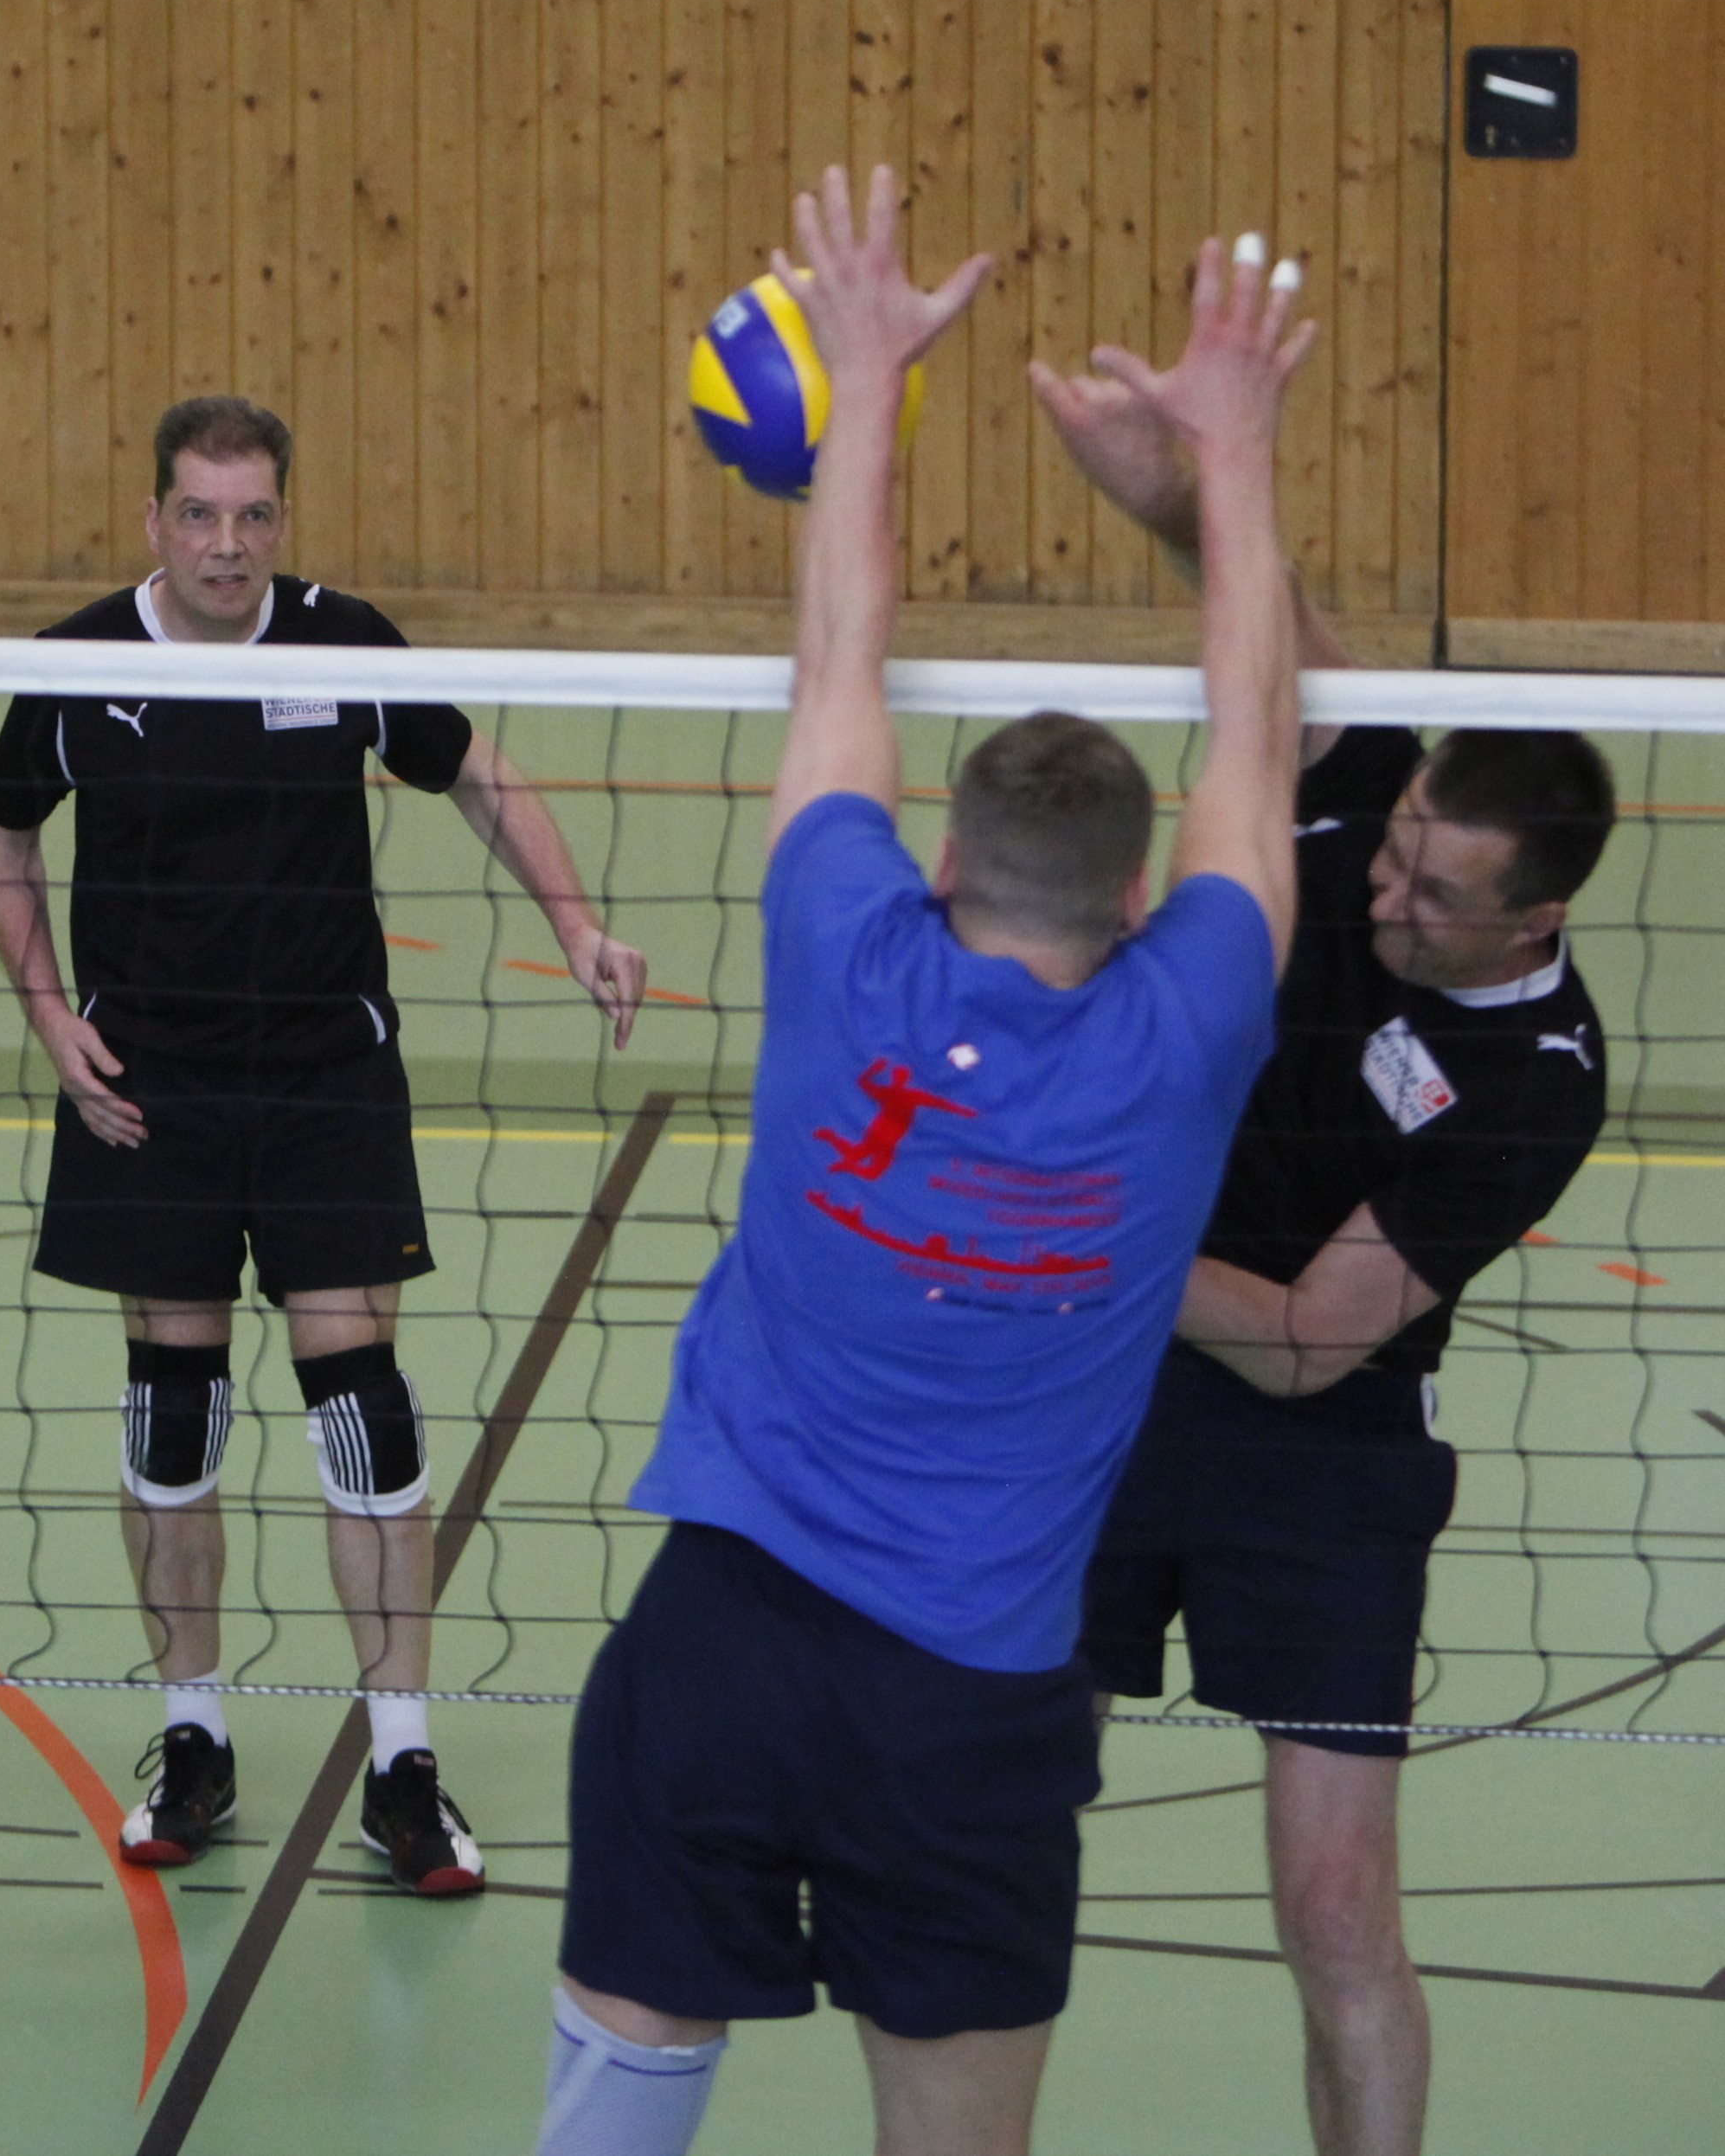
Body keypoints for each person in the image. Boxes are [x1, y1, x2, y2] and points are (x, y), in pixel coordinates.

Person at [528, 169, 1311, 2156]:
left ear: (940, 859)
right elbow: (1259, 739)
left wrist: (868, 371)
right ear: (1139, 899)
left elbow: (839, 655)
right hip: (975, 1710)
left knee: (618, 2104)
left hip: (720, 1644)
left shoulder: (843, 947)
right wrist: (1228, 454)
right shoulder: (1190, 1026)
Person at [1036, 359, 1613, 2156]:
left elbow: (1305, 1342)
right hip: (1115, 1396)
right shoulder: (1380, 804)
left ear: (1535, 919)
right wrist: (1176, 480)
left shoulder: (1537, 1083)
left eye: (1432, 897)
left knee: (1338, 1905)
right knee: (1001, 1819)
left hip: (1320, 1436)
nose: (1380, 894)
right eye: (1395, 853)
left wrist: (1073, 1225)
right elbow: (1266, 620)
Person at [0, 395, 646, 1896]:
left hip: (328, 1078)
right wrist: (50, 1019)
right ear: (155, 519)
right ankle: (193, 1735)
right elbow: (1, 834)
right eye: (200, 514)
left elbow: (480, 773)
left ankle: (402, 1760)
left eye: (255, 514)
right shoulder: (84, 663)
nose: (228, 544)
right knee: (173, 1417)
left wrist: (578, 924)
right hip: (149, 1088)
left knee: (366, 1411)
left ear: (285, 516)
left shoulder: (344, 643)